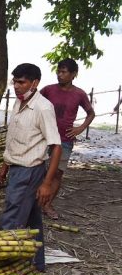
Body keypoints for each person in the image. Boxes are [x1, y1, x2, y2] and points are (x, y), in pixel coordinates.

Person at [0, 63, 61, 272]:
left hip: (29, 171)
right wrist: (5, 164)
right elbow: (15, 137)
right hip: (17, 167)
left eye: (21, 82)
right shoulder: (19, 102)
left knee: (11, 220)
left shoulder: (43, 107)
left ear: (35, 83)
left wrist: (47, 182)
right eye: (14, 81)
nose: (16, 86)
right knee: (33, 221)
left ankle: (2, 268)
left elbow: (56, 146)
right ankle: (37, 264)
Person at [39, 58, 95, 219]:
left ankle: (48, 205)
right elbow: (34, 103)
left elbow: (91, 113)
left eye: (64, 72)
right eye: (58, 71)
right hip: (44, 137)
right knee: (38, 170)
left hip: (65, 139)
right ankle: (34, 202)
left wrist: (80, 128)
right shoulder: (48, 90)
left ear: (73, 74)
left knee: (57, 173)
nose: (60, 75)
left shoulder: (79, 94)